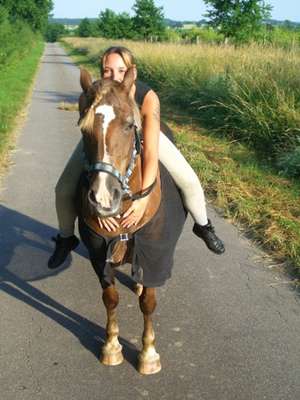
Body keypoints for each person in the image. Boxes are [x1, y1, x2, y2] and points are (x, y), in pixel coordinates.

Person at [48, 46, 225, 269]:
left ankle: (203, 226)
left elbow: (150, 151)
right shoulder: (92, 93)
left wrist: (142, 198)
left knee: (189, 181)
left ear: (132, 73)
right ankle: (65, 237)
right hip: (105, 140)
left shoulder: (148, 97)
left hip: (143, 137)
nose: (114, 76)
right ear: (101, 72)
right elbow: (89, 133)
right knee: (63, 189)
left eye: (121, 70)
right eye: (107, 70)